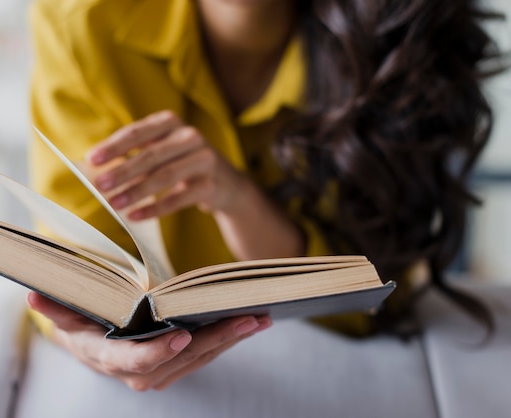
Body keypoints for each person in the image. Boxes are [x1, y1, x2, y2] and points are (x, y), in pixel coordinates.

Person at [27, 0, 503, 391]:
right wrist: (85, 340)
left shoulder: (400, 46)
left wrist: (238, 200)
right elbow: (78, 263)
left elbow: (375, 294)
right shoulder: (82, 20)